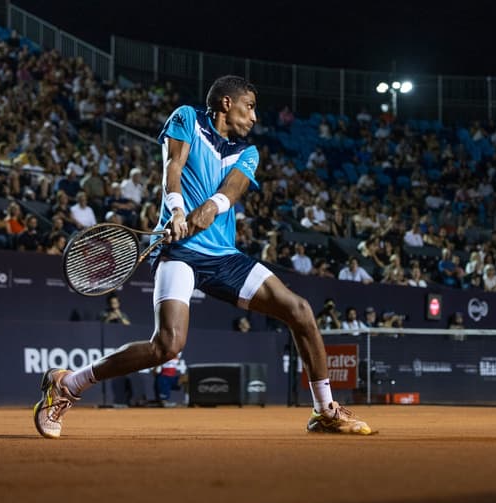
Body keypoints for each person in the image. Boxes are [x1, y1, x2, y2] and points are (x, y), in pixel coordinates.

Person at [33, 75, 374, 438]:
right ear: (227, 103)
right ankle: (69, 383)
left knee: (300, 311)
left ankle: (324, 411)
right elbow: (173, 169)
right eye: (250, 106)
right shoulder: (186, 119)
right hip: (178, 252)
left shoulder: (248, 152)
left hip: (224, 257)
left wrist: (208, 209)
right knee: (168, 345)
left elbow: (230, 192)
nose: (255, 117)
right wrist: (178, 211)